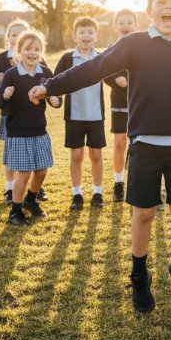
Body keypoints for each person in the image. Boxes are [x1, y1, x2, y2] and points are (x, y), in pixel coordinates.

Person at [28, 0, 171, 313]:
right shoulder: (134, 43)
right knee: (143, 212)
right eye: (161, 0)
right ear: (149, 10)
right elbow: (92, 68)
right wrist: (52, 86)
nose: (168, 7)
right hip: (144, 143)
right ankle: (138, 274)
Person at [0, 31, 61, 225]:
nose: (32, 53)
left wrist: (56, 100)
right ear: (19, 51)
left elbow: (55, 98)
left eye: (37, 49)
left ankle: (31, 201)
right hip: (18, 131)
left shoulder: (45, 73)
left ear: (41, 52)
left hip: (39, 130)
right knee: (23, 173)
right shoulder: (12, 74)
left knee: (41, 171)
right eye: (28, 49)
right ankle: (15, 212)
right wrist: (5, 95)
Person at [53, 17, 107, 210]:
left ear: (96, 36)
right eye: (82, 32)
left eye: (90, 32)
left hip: (95, 115)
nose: (86, 36)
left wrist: (123, 82)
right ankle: (77, 194)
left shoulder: (101, 58)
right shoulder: (68, 59)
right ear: (74, 36)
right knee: (76, 155)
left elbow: (112, 77)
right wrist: (55, 98)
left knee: (96, 155)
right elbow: (55, 81)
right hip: (74, 116)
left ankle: (97, 192)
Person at [0, 18, 35, 204]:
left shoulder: (36, 56)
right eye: (14, 34)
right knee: (11, 151)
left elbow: (46, 78)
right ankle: (10, 188)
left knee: (32, 150)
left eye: (22, 34)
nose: (17, 38)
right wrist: (0, 84)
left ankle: (33, 186)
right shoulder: (1, 58)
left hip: (31, 114)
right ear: (8, 37)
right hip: (9, 113)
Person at [104, 9, 138, 201]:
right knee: (119, 144)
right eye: (122, 22)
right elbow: (103, 72)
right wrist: (116, 78)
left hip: (140, 104)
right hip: (119, 104)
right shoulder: (111, 48)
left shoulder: (143, 47)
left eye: (129, 22)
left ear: (136, 25)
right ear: (116, 27)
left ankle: (138, 182)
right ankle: (118, 183)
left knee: (139, 145)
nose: (125, 26)